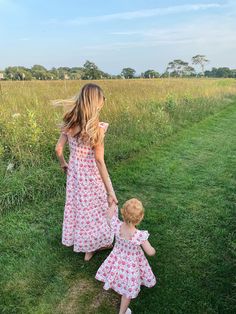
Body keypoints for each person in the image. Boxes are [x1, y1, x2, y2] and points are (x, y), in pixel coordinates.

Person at [55, 83, 118, 261]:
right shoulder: (96, 129)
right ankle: (94, 246)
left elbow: (58, 149)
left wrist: (64, 164)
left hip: (75, 173)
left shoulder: (69, 123)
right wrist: (110, 190)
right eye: (102, 99)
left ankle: (86, 247)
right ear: (96, 103)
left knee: (81, 208)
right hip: (91, 175)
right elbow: (99, 160)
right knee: (97, 207)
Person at [95, 198, 156, 314]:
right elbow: (150, 252)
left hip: (117, 258)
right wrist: (153, 250)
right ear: (140, 218)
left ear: (123, 213)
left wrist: (113, 204)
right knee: (127, 290)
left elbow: (109, 216)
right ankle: (122, 312)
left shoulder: (116, 226)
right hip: (131, 264)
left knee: (118, 276)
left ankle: (119, 286)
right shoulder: (139, 235)